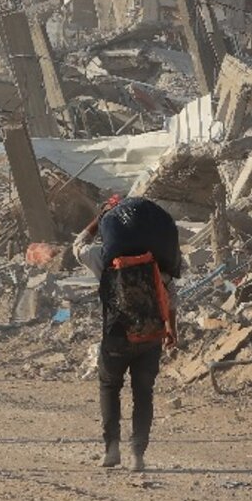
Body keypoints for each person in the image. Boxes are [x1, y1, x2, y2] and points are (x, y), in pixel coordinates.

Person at [93, 197, 177, 471]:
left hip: (116, 336)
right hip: (150, 336)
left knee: (109, 388)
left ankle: (111, 450)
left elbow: (77, 247)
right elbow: (170, 297)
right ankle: (138, 455)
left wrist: (100, 219)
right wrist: (170, 329)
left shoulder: (103, 258)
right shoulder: (158, 261)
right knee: (143, 393)